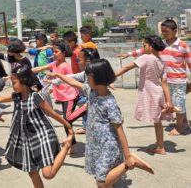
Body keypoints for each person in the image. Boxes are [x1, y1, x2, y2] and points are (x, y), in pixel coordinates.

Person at [51, 59, 154, 187]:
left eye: (88, 77)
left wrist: (127, 155)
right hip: (96, 144)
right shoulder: (91, 91)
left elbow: (119, 129)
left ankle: (130, 163)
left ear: (96, 78)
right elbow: (73, 82)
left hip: (108, 146)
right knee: (106, 177)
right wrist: (59, 76)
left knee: (101, 183)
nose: (86, 79)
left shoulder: (109, 103)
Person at [0, 65, 74, 188]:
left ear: (24, 82)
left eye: (14, 82)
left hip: (42, 135)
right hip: (27, 140)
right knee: (32, 172)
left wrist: (67, 125)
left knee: (48, 174)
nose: (12, 85)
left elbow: (51, 113)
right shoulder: (17, 96)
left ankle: (66, 146)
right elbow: (0, 98)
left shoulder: (35, 96)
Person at [118, 19, 191, 135]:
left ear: (175, 31)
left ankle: (179, 127)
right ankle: (184, 122)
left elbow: (189, 62)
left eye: (166, 31)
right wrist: (129, 54)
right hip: (165, 80)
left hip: (178, 80)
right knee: (173, 103)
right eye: (162, 32)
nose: (164, 34)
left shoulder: (183, 46)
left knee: (179, 103)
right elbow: (144, 50)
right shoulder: (161, 45)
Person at [115, 35, 175, 155]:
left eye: (144, 45)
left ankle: (160, 146)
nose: (143, 47)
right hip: (158, 92)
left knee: (156, 119)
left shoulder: (146, 57)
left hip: (150, 92)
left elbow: (128, 67)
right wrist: (169, 101)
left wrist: (111, 76)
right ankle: (160, 146)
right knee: (157, 121)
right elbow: (164, 84)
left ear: (151, 46)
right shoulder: (162, 62)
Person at [31, 41, 78, 147]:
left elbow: (66, 80)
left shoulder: (65, 66)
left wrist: (51, 84)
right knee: (66, 120)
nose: (53, 54)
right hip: (63, 96)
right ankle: (71, 142)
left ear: (64, 53)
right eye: (53, 52)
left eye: (56, 52)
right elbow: (40, 68)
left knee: (67, 120)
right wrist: (27, 71)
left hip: (70, 96)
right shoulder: (54, 64)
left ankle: (72, 144)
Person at [49, 47, 100, 135]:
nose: (77, 62)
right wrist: (55, 81)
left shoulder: (95, 74)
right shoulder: (86, 73)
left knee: (68, 119)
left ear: (87, 61)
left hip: (96, 107)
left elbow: (74, 82)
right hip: (91, 105)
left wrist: (57, 77)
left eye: (79, 60)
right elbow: (71, 77)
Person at [28, 34, 54, 106]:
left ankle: (49, 108)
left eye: (38, 40)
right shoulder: (37, 51)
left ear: (42, 41)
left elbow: (52, 61)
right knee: (40, 91)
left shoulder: (48, 51)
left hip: (47, 74)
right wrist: (37, 48)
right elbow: (30, 51)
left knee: (44, 92)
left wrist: (51, 73)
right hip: (39, 74)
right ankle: (45, 107)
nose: (36, 41)